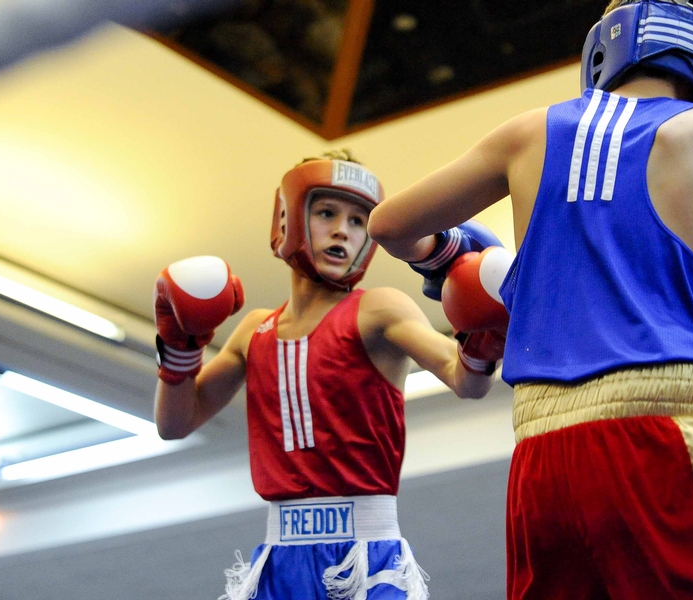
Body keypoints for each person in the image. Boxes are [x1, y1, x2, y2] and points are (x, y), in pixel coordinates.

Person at [367, 1, 693, 598]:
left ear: (603, 47)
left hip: (541, 458)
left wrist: (454, 255)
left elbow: (387, 226)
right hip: (659, 433)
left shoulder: (529, 130)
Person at [152, 149, 508, 600]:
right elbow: (174, 423)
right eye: (326, 212)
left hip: (366, 556)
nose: (343, 229)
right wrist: (179, 347)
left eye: (359, 221)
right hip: (279, 560)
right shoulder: (254, 330)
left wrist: (483, 341)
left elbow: (467, 382)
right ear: (287, 220)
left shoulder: (378, 308)